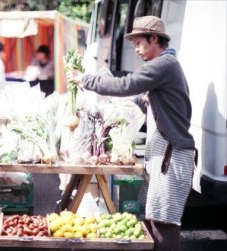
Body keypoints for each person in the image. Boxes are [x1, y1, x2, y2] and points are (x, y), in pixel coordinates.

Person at [66, 16, 195, 251]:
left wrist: (83, 79)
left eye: (138, 43)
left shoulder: (164, 65)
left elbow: (127, 84)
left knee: (164, 220)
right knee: (153, 215)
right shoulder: (166, 66)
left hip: (172, 155)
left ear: (154, 39)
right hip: (164, 153)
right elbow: (147, 98)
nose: (135, 49)